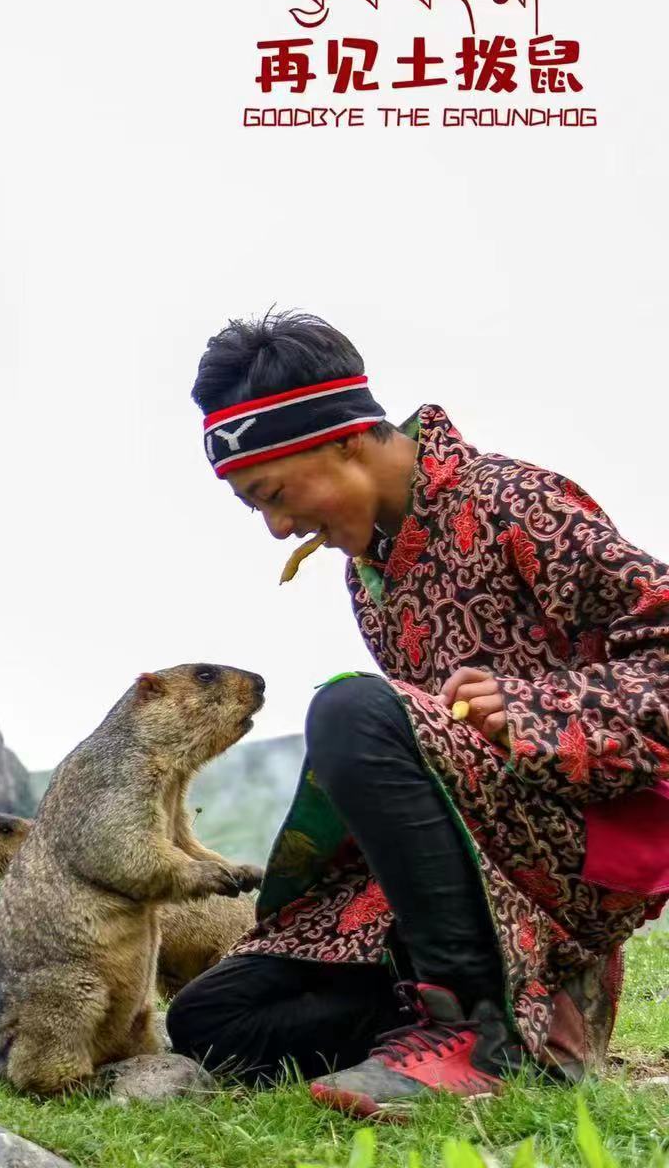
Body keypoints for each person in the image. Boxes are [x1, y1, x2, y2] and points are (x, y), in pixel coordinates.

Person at [167, 309, 669, 1118]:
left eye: (273, 494)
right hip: (472, 861)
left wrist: (537, 709)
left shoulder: (514, 503)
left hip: (579, 846)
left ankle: (475, 1033)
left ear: (345, 441)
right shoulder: (371, 574)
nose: (280, 528)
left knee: (351, 709)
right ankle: (525, 1025)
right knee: (214, 1021)